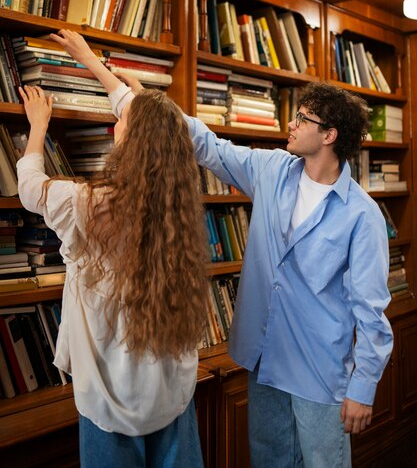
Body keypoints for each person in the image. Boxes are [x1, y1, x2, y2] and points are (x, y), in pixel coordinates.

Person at [50, 30, 394, 468]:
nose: (291, 123)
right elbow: (205, 144)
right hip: (263, 361)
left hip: (320, 373)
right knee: (269, 462)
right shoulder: (271, 169)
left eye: (303, 118)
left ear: (329, 135)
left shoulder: (362, 215)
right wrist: (138, 101)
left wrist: (362, 388)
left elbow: (370, 310)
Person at [17, 57, 210, 468]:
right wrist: (90, 61)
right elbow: (152, 122)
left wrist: (38, 127)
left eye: (123, 120)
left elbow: (31, 189)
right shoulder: (177, 211)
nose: (116, 121)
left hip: (108, 399)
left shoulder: (89, 205)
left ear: (133, 140)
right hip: (170, 396)